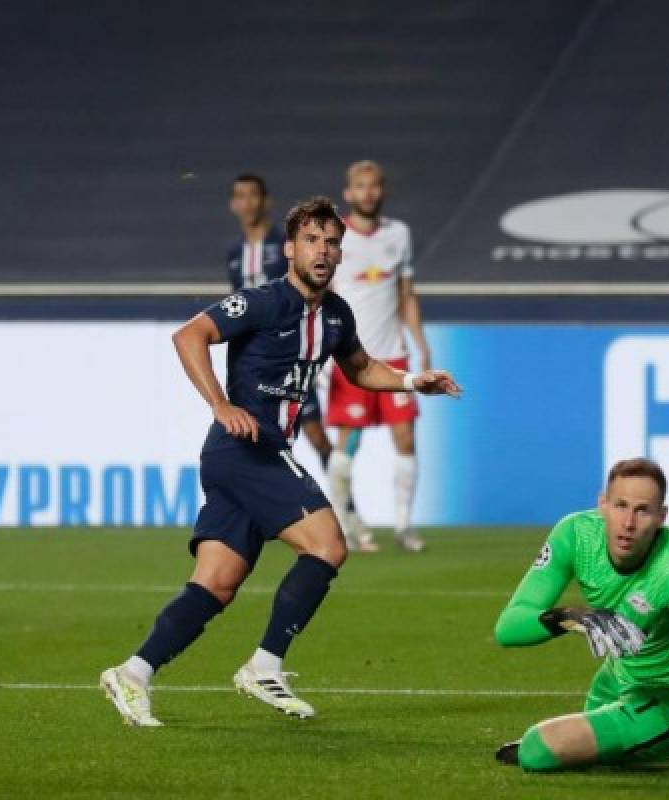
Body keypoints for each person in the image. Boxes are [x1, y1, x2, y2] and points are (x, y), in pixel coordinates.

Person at [100, 196, 461, 727]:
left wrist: (410, 381)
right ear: (290, 249)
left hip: (253, 458)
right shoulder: (264, 302)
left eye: (332, 242)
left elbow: (358, 368)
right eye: (312, 240)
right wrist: (220, 404)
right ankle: (264, 666)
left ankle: (132, 673)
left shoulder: (335, 313)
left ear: (341, 254)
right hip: (245, 451)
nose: (323, 250)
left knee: (216, 583)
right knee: (329, 546)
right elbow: (189, 335)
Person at [491, 458, 669, 785]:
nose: (628, 522)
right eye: (620, 506)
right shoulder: (575, 534)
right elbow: (508, 629)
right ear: (602, 504)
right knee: (587, 735)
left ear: (661, 518)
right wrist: (567, 617)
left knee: (536, 749)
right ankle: (667, 747)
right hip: (618, 679)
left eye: (643, 510)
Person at [324, 160, 432, 553]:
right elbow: (323, 295)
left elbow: (406, 293)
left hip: (395, 355)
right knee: (347, 443)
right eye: (360, 186)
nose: (367, 193)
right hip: (352, 355)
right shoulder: (336, 238)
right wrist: (323, 352)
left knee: (406, 438)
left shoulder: (398, 234)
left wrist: (420, 342)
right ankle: (340, 524)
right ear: (348, 194)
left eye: (374, 186)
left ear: (382, 190)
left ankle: (404, 526)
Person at [226, 174, 334, 467]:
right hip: (253, 362)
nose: (247, 202)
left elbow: (317, 288)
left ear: (266, 201)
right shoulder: (234, 253)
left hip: (292, 354)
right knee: (251, 436)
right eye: (240, 196)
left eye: (253, 195)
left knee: (315, 434)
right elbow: (235, 303)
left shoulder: (285, 245)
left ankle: (346, 506)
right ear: (232, 204)